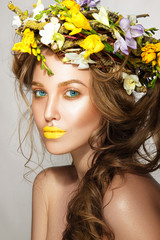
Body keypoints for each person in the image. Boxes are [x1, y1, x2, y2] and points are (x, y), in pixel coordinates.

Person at [9, 0, 160, 239]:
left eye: (71, 93)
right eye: (40, 92)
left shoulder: (124, 197)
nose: (49, 113)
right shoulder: (48, 186)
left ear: (109, 100)